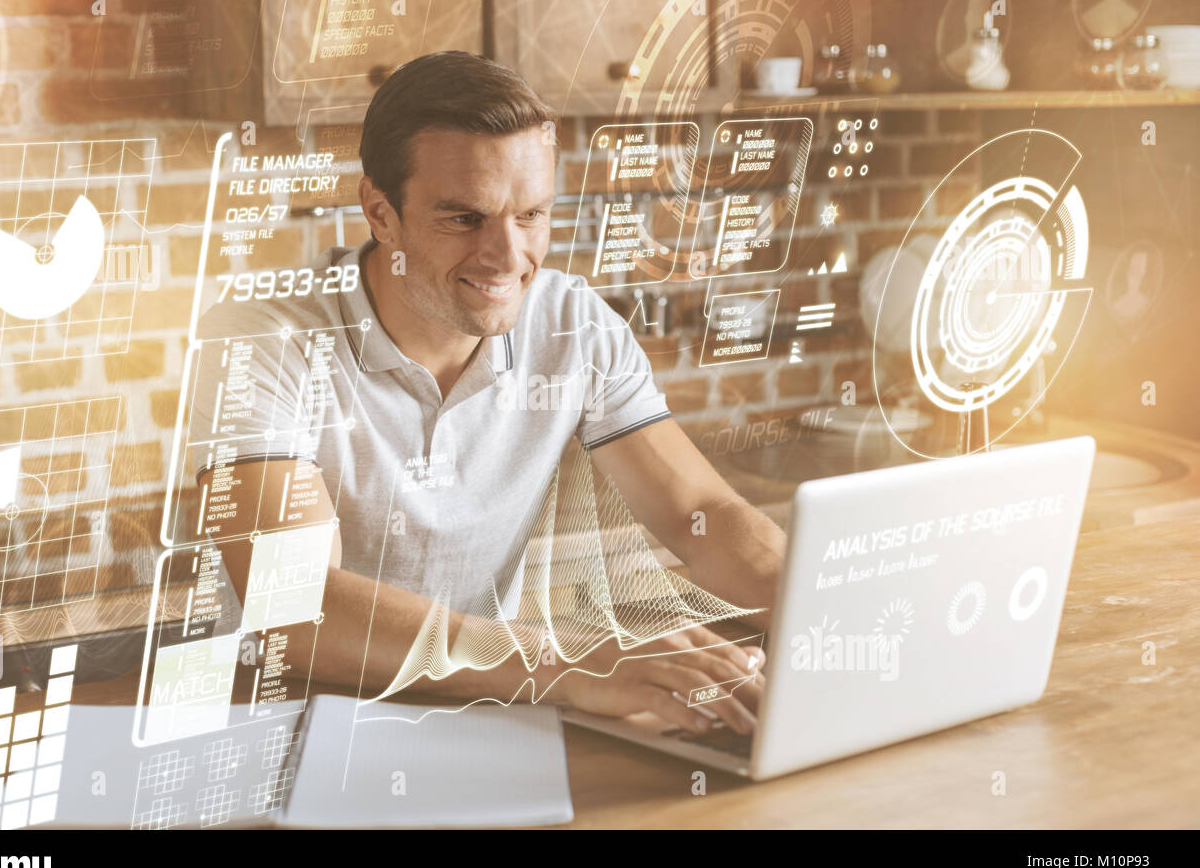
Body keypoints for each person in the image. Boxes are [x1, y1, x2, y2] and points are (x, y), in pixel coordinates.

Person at [195, 51, 786, 736]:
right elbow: (292, 607)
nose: (508, 258)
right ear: (380, 214)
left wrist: (830, 620)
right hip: (288, 723)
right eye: (465, 219)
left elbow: (700, 514)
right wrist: (568, 661)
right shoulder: (259, 340)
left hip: (488, 713)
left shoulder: (575, 325)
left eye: (531, 215)